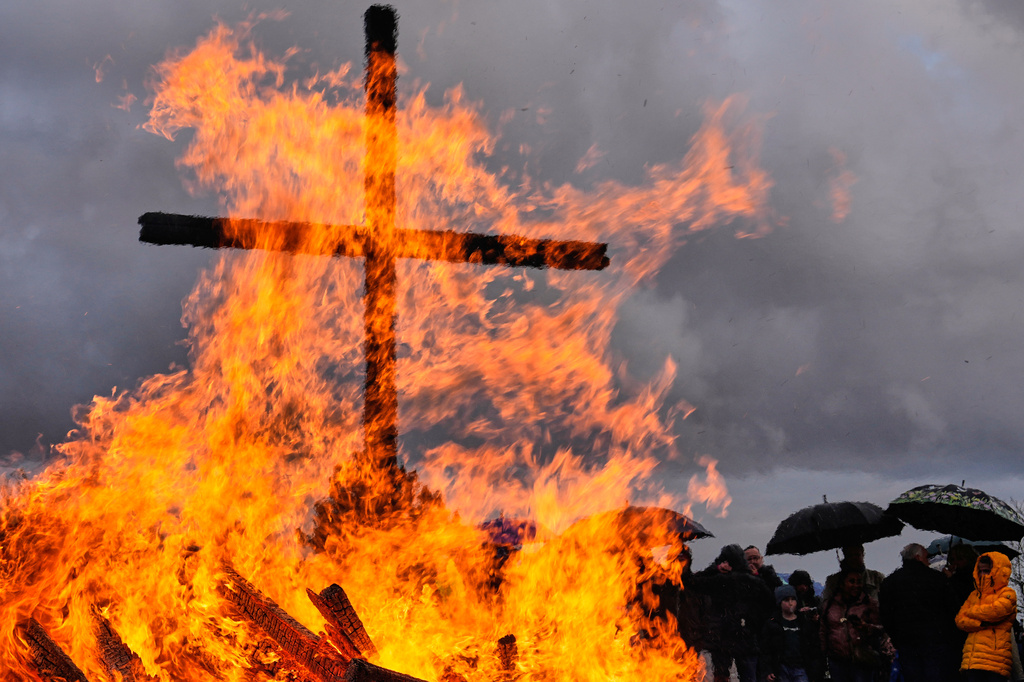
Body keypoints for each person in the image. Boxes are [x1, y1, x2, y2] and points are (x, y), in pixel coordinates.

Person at [691, 544, 775, 682]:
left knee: (726, 675)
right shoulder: (750, 580)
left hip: (727, 635)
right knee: (745, 676)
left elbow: (693, 582)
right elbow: (769, 600)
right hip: (736, 634)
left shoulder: (719, 580)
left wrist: (715, 568)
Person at [878, 542, 959, 682]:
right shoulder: (936, 578)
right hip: (935, 641)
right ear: (918, 557)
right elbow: (952, 608)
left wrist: (897, 639)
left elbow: (885, 616)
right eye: (927, 557)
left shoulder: (890, 583)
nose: (928, 561)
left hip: (907, 643)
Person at [820, 565, 890, 682]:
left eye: (859, 582)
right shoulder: (830, 605)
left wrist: (867, 627)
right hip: (837, 661)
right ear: (842, 584)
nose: (856, 585)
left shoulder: (869, 603)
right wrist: (823, 655)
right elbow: (823, 631)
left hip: (862, 660)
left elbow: (882, 628)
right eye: (851, 582)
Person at [956, 552, 1018, 681]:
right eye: (980, 571)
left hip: (995, 660)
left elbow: (996, 612)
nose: (982, 574)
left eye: (987, 571)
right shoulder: (974, 595)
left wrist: (971, 612)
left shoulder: (1008, 593)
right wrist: (981, 623)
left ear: (997, 571)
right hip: (971, 659)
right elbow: (960, 620)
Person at [760, 584, 825, 682]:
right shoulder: (772, 624)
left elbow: (812, 646)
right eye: (786, 600)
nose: (790, 603)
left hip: (801, 667)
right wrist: (768, 670)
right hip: (781, 667)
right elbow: (766, 649)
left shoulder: (803, 622)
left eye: (792, 599)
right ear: (779, 602)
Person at [821, 545, 885, 603]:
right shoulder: (833, 581)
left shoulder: (876, 578)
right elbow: (826, 605)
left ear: (863, 555)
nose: (854, 558)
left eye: (857, 555)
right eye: (850, 555)